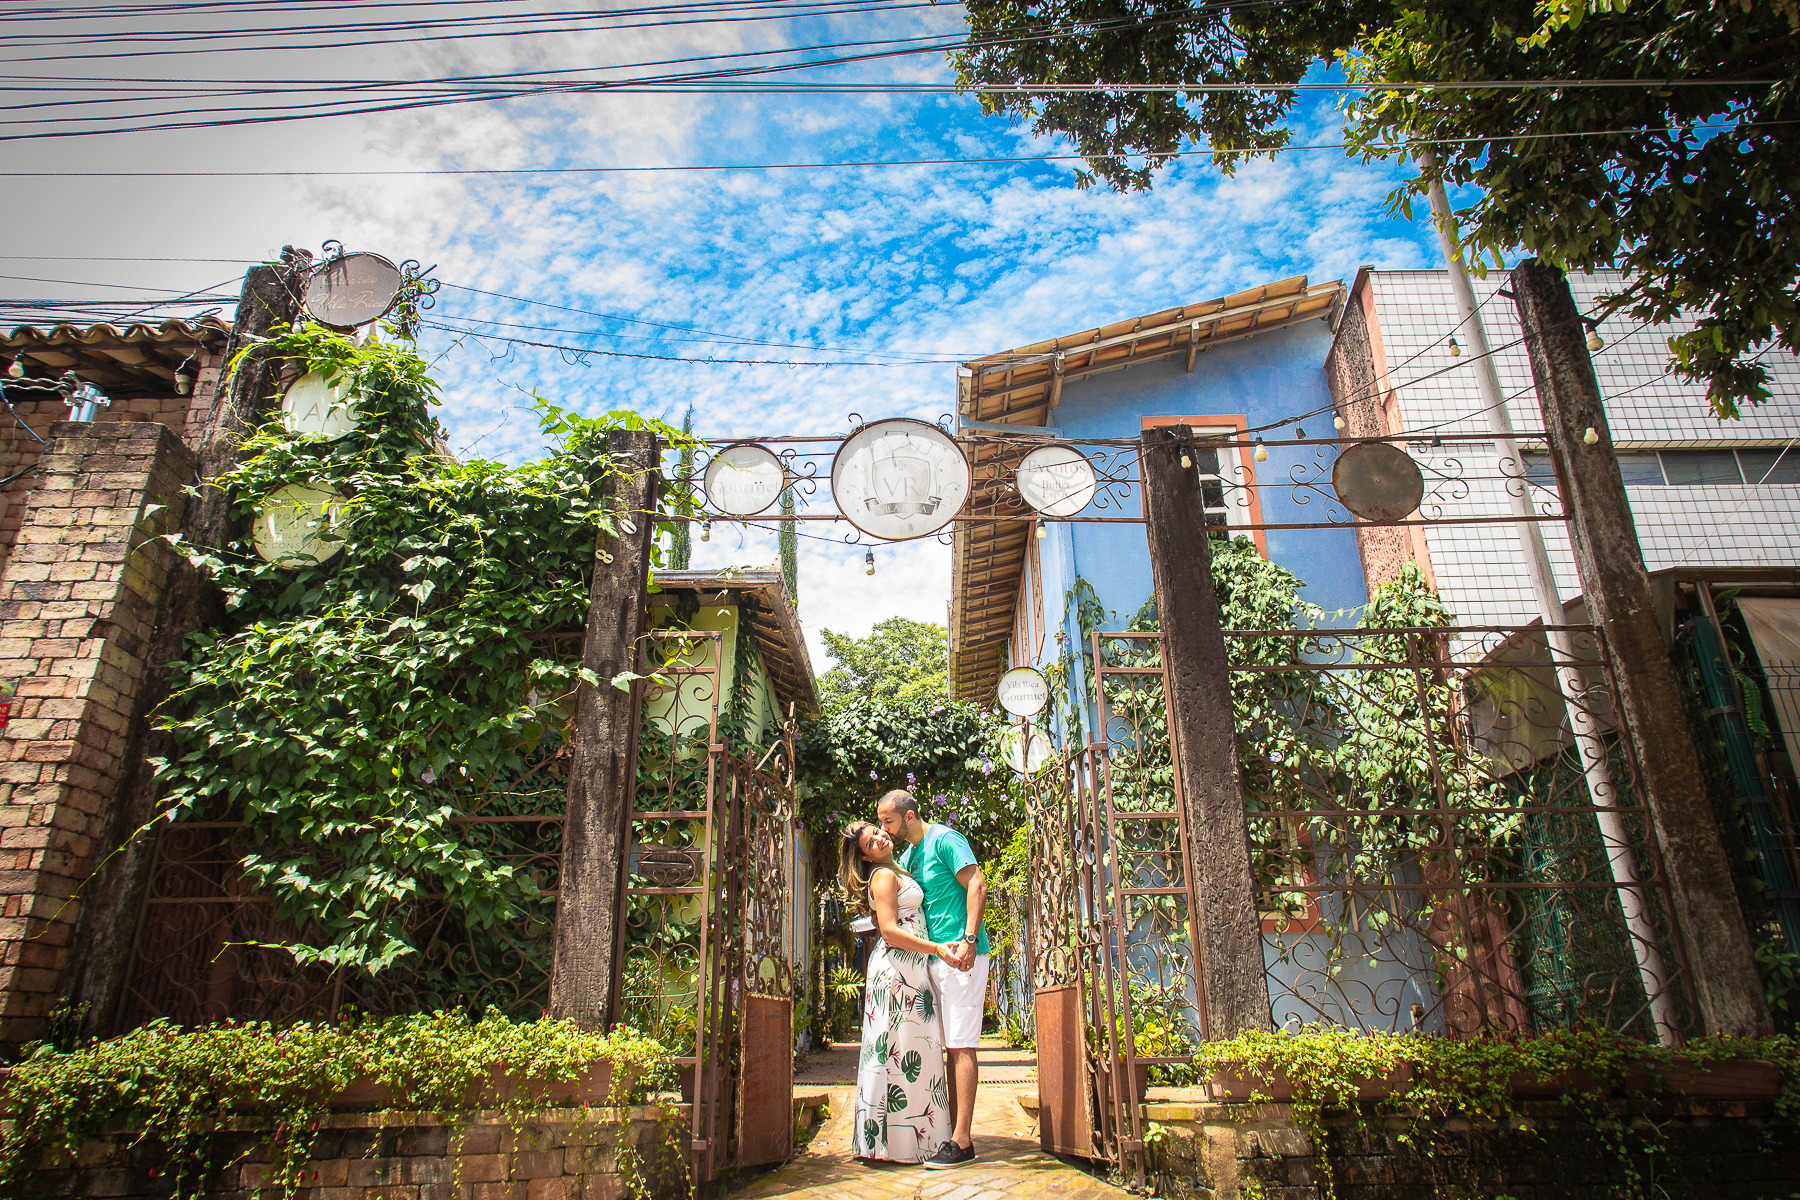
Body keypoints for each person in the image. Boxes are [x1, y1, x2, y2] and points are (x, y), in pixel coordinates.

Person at [877, 789, 988, 1170]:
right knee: (945, 1047)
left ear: (909, 816)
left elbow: (977, 884)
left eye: (888, 820)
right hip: (934, 959)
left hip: (962, 955)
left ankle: (962, 1142)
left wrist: (970, 940)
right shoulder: (909, 856)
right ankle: (953, 1133)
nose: (884, 828)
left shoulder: (945, 839)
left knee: (961, 1045)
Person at [836, 819, 956, 1165]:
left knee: (911, 1050)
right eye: (870, 842)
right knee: (898, 1052)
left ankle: (913, 1141)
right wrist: (937, 949)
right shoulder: (884, 876)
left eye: (877, 831)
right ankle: (898, 1145)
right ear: (866, 857)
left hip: (910, 970)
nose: (880, 837)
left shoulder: (896, 867)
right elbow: (889, 931)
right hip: (896, 972)